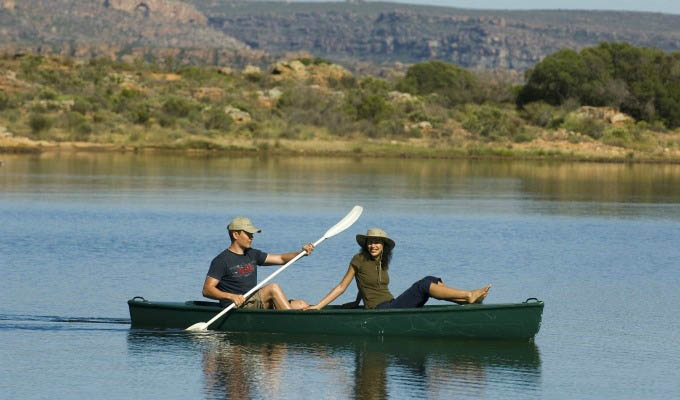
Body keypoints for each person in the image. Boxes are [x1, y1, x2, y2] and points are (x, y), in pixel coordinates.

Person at [305, 228, 490, 310]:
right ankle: (467, 296)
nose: (373, 246)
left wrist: (356, 302)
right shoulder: (358, 259)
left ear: (383, 245)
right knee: (424, 284)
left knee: (432, 279)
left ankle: (465, 302)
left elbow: (367, 284)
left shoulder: (381, 262)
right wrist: (318, 307)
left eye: (377, 243)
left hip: (391, 304)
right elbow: (341, 287)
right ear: (366, 244)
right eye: (370, 243)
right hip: (380, 309)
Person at [203, 216, 313, 310]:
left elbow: (281, 259)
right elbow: (207, 290)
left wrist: (301, 253)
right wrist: (231, 296)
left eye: (252, 234)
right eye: (248, 234)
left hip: (255, 301)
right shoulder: (221, 260)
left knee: (301, 304)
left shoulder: (253, 254)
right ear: (236, 235)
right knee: (273, 288)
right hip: (237, 306)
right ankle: (292, 321)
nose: (252, 237)